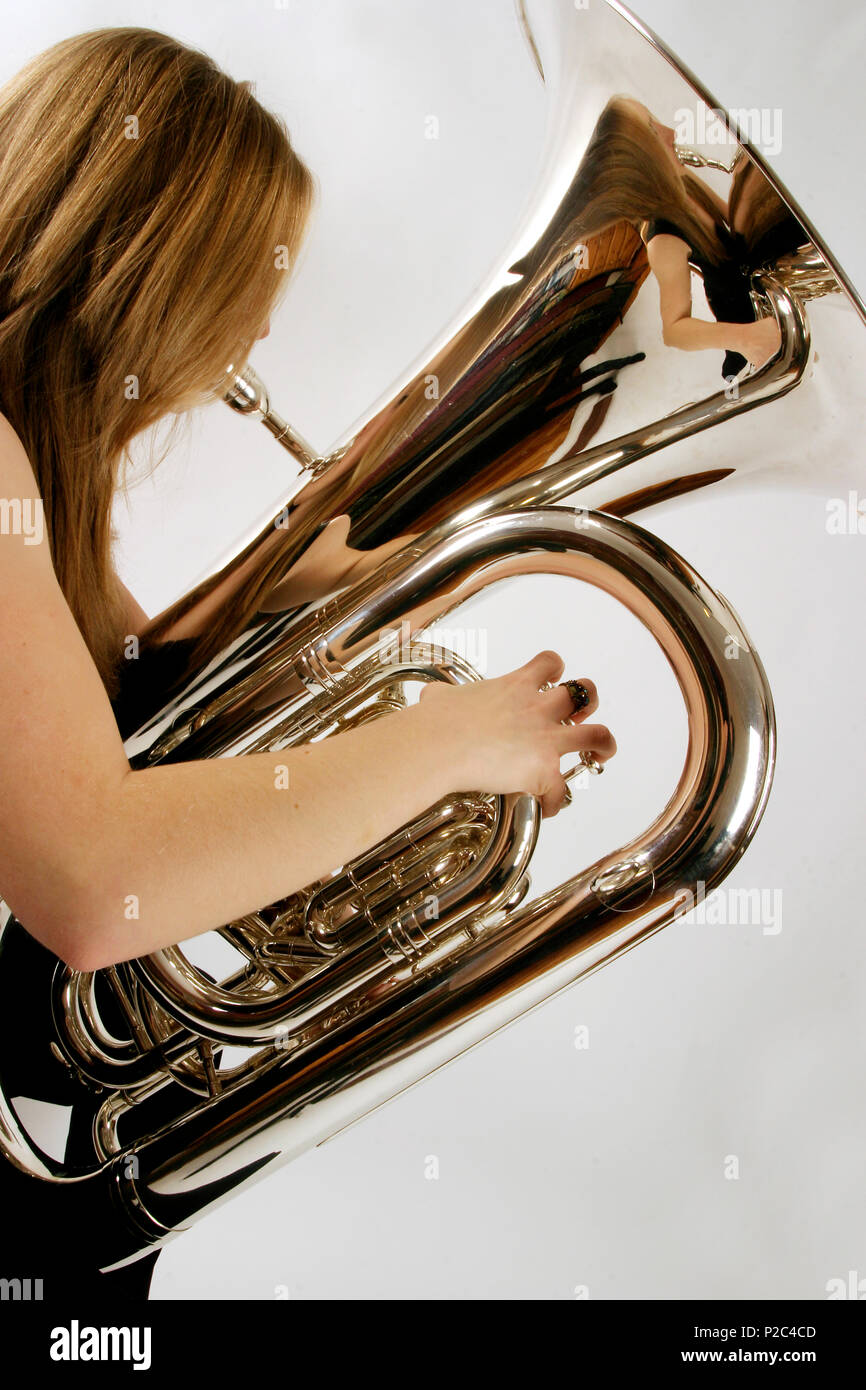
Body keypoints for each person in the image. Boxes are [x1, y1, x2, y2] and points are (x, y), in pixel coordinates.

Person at [0, 28, 616, 1299]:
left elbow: (120, 709)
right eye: (241, 284)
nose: (260, 330)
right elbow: (92, 875)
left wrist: (279, 627)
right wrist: (449, 740)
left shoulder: (34, 486)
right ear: (145, 266)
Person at [511, 95, 804, 381]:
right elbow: (674, 330)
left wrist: (751, 184)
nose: (671, 132)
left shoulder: (684, 185)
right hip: (750, 332)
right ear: (640, 160)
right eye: (653, 129)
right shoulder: (663, 240)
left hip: (763, 301)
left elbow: (734, 219)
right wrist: (746, 338)